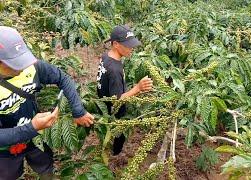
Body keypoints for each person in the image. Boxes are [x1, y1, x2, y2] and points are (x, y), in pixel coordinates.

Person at [0, 26, 94, 179]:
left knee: (45, 167)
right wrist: (32, 127)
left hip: (36, 138)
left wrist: (78, 111)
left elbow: (62, 78)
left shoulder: (31, 67)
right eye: (14, 63)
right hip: (4, 151)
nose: (22, 67)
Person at [97, 25, 153, 155]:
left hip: (103, 103)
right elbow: (117, 101)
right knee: (119, 134)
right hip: (114, 111)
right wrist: (138, 88)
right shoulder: (115, 70)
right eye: (128, 45)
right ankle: (115, 154)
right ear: (116, 44)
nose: (132, 48)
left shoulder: (106, 56)